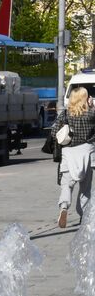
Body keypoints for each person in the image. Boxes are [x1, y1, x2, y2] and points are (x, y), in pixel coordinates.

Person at [55, 87, 95, 229]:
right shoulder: (91, 114)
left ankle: (64, 207)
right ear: (85, 98)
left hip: (69, 153)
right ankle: (83, 216)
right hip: (87, 153)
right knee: (85, 189)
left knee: (67, 184)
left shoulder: (65, 114)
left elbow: (55, 132)